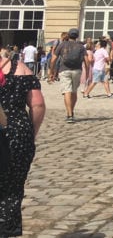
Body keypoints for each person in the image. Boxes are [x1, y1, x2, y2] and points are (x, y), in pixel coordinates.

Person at [0, 45, 46, 236]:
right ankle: (6, 229)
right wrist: (30, 133)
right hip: (16, 132)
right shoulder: (22, 70)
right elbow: (38, 105)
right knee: (12, 188)